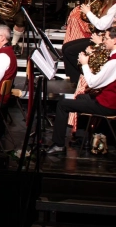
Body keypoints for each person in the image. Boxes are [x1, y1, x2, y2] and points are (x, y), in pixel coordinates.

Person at [47, 27, 116, 155]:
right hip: (107, 100)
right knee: (81, 97)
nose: (104, 41)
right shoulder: (113, 59)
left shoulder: (114, 62)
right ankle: (82, 139)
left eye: (106, 39)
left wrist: (85, 63)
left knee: (62, 105)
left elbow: (93, 82)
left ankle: (59, 144)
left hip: (108, 105)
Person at [62, 0, 116, 85]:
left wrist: (88, 12)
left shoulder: (114, 6)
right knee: (66, 46)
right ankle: (75, 79)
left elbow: (101, 25)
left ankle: (81, 79)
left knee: (70, 51)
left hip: (104, 38)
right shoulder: (109, 2)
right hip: (101, 36)